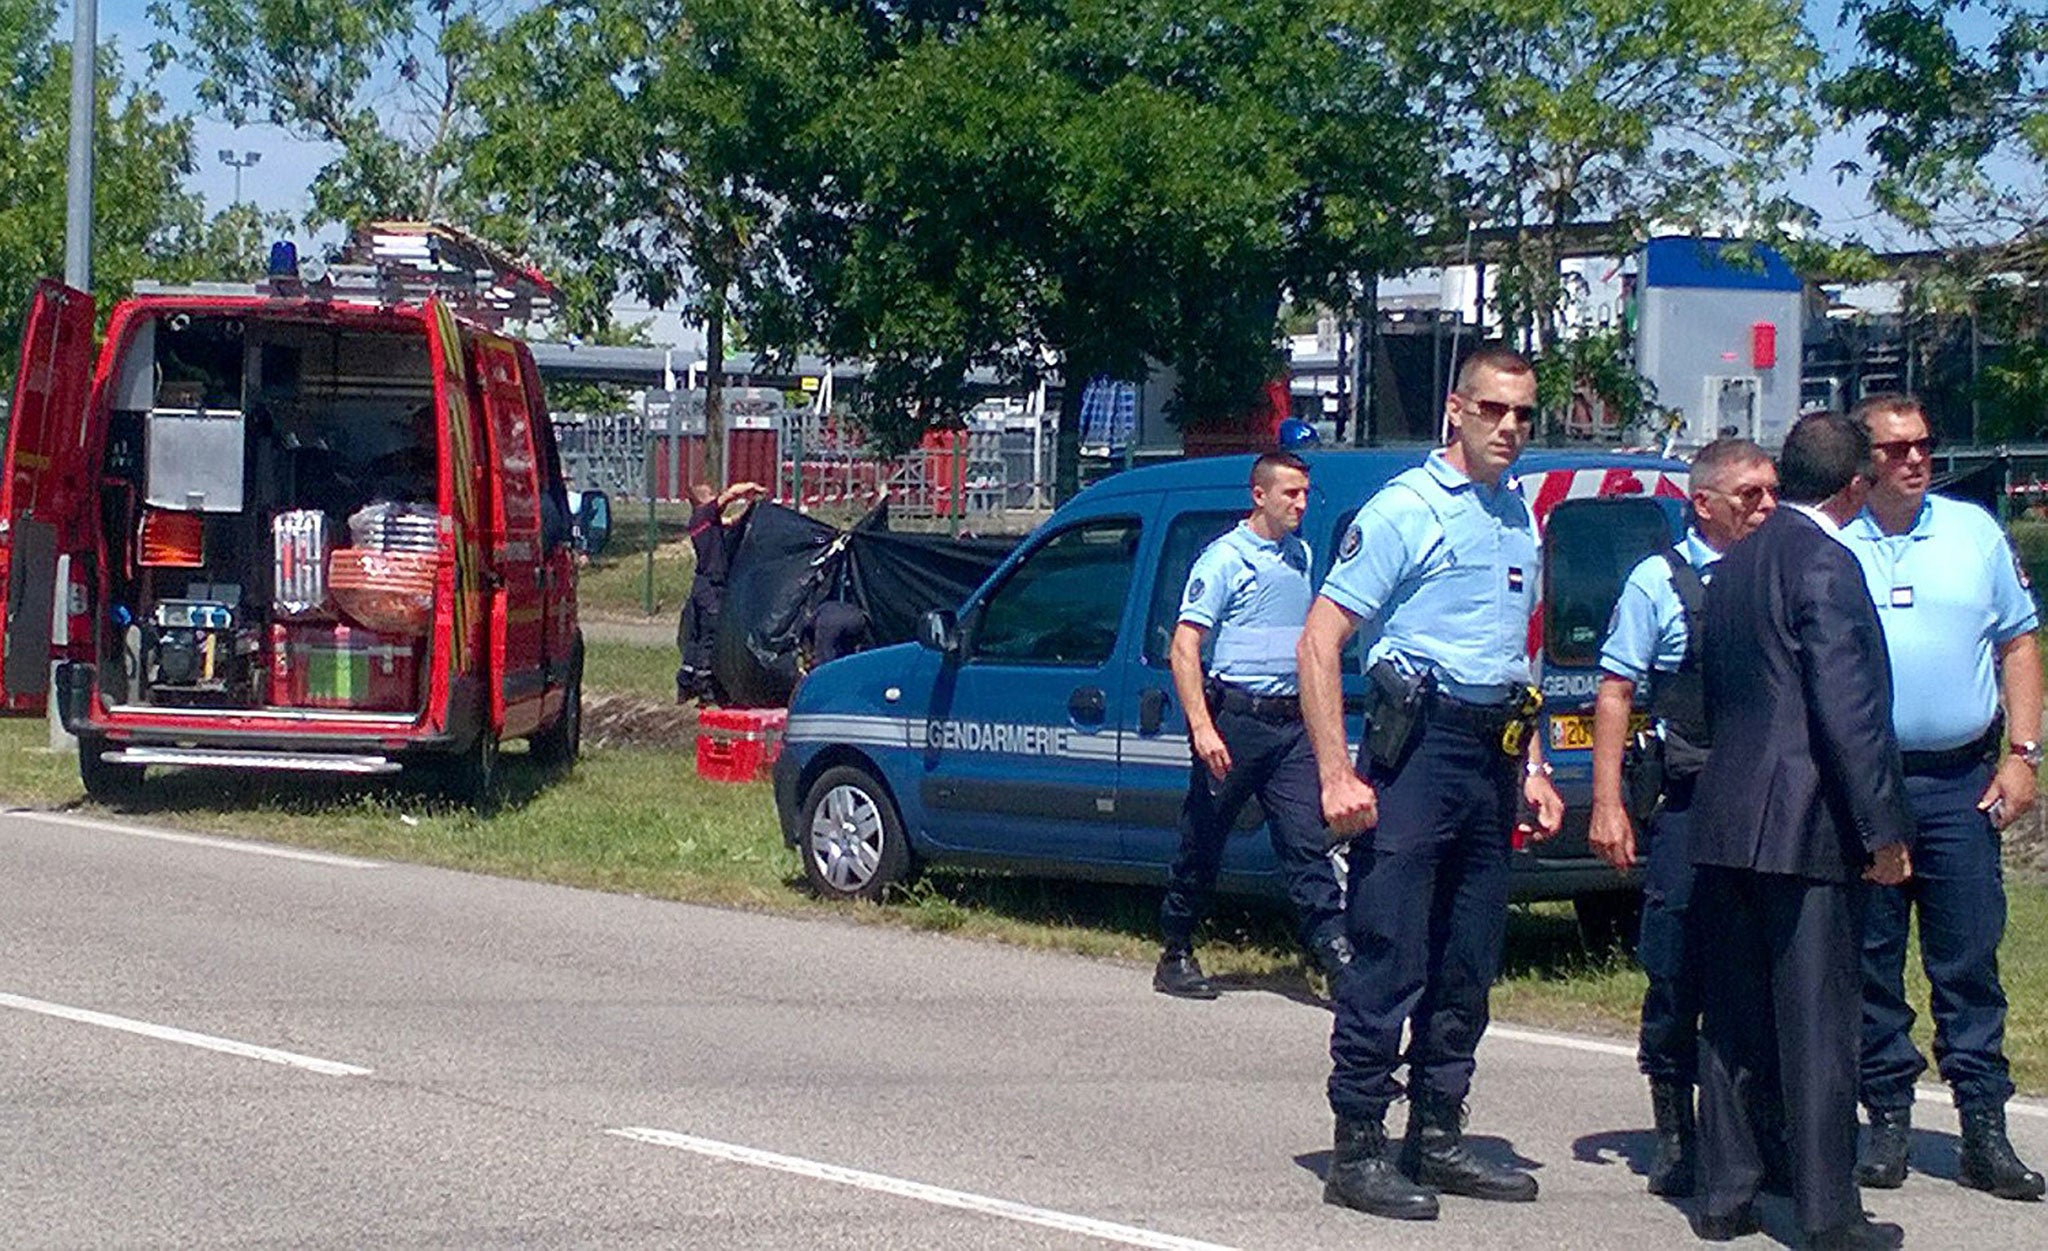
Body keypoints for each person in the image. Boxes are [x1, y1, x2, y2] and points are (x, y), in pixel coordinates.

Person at [1297, 346, 1564, 1222]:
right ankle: (1360, 1142)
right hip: (1420, 750)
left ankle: (1439, 1132)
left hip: (1491, 752)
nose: (1511, 429)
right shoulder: (1409, 510)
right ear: (1456, 409)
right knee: (1391, 950)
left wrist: (1533, 767)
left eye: (1524, 413)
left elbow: (1516, 651)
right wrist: (1337, 770)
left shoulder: (1516, 514)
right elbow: (1320, 639)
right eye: (1494, 410)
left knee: (1469, 957)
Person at [1688, 412, 1915, 1250]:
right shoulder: (1827, 560)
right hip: (1805, 819)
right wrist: (1882, 825)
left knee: (1736, 1018)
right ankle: (1828, 1209)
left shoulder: (1736, 562)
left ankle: (1726, 1190)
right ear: (1854, 486)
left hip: (1728, 811)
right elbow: (1845, 706)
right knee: (1819, 1019)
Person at [1841, 394, 2046, 1201]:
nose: (1916, 460)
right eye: (1896, 450)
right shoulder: (1833, 538)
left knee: (1968, 959)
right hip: (1868, 783)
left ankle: (1983, 1129)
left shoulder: (1974, 533)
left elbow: (2019, 641)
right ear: (1862, 461)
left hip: (1962, 780)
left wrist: (2025, 754)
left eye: (1924, 445)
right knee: (1872, 960)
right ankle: (1886, 1116)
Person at [1588, 438, 1780, 1197]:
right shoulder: (1657, 582)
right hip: (1691, 805)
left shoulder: (1785, 572)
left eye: (1772, 493)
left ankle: (1763, 1127)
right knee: (1675, 968)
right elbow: (1614, 691)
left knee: (1762, 974)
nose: (1766, 508)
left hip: (1769, 805)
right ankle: (1676, 1130)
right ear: (1704, 503)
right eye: (1749, 496)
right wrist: (1607, 804)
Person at [1154, 451, 1348, 1000]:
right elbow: (1184, 647)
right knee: (1204, 839)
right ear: (1259, 495)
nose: (1301, 504)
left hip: (1290, 726)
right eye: (1290, 494)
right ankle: (1177, 949)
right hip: (1235, 723)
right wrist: (1202, 728)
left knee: (1307, 843)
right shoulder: (1224, 559)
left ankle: (1336, 956)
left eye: (1305, 494)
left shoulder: (1301, 555)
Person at [676, 480, 766, 704]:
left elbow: (732, 521)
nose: (715, 494)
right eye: (710, 493)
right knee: (710, 634)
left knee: (696, 637)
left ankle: (685, 682)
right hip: (709, 587)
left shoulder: (704, 522)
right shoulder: (704, 513)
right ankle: (704, 686)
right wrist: (753, 488)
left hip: (702, 584)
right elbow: (730, 494)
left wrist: (750, 508)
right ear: (702, 499)